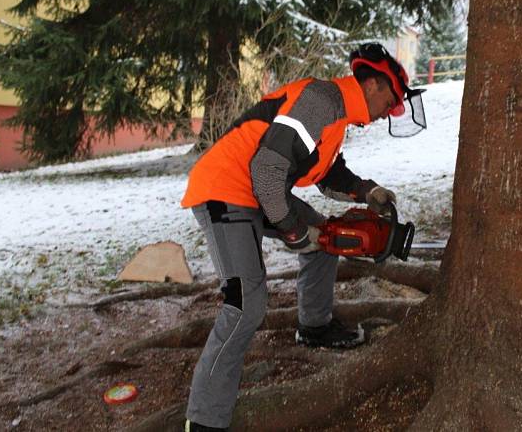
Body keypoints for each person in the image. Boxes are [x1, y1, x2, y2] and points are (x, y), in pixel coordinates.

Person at [180, 43, 425, 432]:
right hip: (225, 190)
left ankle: (314, 326)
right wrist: (295, 231)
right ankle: (204, 418)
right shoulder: (321, 101)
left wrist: (366, 192)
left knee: (326, 238)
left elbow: (326, 172)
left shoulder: (337, 113)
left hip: (259, 191)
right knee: (246, 303)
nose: (388, 114)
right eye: (391, 103)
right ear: (375, 84)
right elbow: (266, 170)